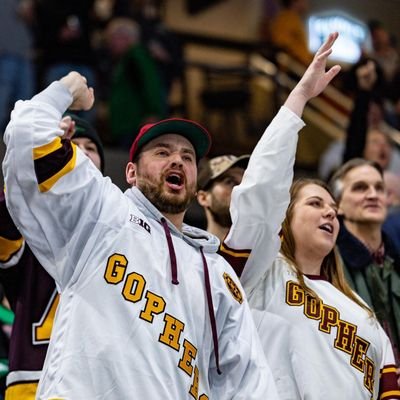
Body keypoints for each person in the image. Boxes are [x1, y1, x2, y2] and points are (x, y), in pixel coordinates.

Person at [2, 73, 278, 398]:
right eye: (162, 152)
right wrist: (66, 89)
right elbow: (26, 134)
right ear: (131, 172)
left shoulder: (217, 273)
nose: (177, 159)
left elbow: (248, 380)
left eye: (188, 157)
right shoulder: (101, 212)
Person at [220, 32, 400, 399]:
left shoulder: (362, 311)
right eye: (315, 203)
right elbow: (260, 193)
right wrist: (298, 99)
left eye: (332, 209)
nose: (330, 213)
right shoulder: (260, 272)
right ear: (284, 217)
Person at [0, 114, 104, 399]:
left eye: (90, 148)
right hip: (33, 385)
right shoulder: (27, 233)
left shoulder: (125, 237)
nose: (79, 152)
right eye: (71, 145)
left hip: (103, 384)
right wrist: (32, 167)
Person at [329, 158, 400, 366]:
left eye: (379, 188)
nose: (373, 195)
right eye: (360, 188)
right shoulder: (327, 263)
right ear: (338, 205)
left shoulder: (395, 260)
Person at [196, 154, 249, 243]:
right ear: (203, 198)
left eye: (245, 183)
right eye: (230, 182)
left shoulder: (267, 253)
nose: (241, 190)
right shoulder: (189, 252)